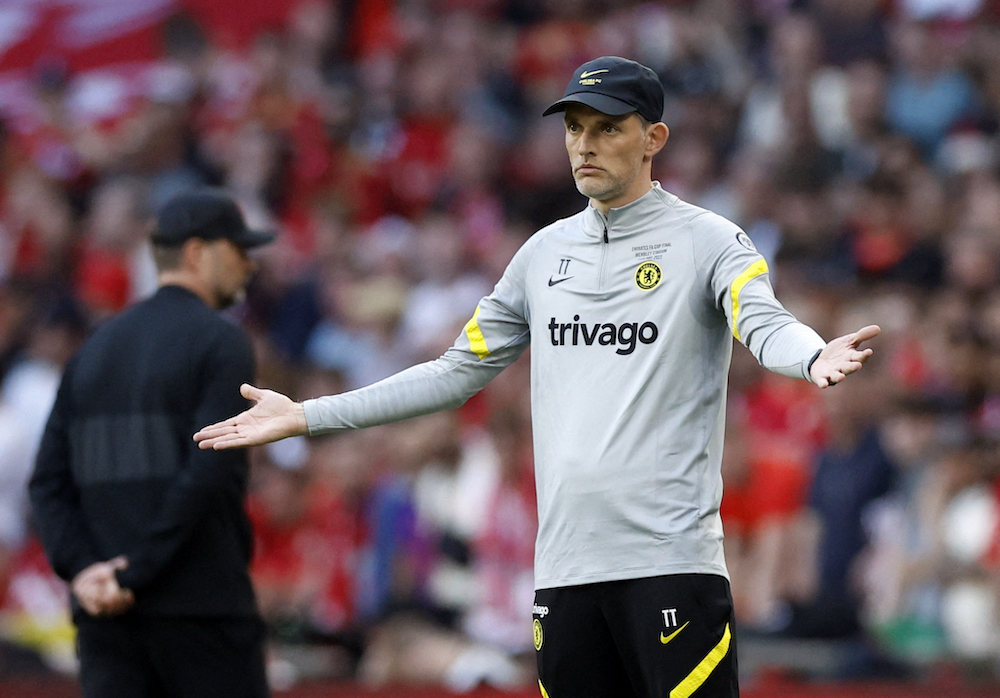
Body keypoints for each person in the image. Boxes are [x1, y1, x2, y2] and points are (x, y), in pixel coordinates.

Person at [195, 57, 880, 698]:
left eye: (607, 128)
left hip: (670, 566)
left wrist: (811, 355)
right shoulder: (541, 256)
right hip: (564, 574)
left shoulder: (709, 240)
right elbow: (455, 373)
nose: (584, 144)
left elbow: (760, 319)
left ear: (654, 139)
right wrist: (309, 414)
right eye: (575, 128)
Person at [29, 189, 274, 698]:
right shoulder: (220, 340)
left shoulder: (93, 347)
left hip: (107, 624)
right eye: (238, 248)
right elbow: (210, 471)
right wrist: (135, 573)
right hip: (201, 615)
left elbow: (47, 483)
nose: (250, 264)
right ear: (196, 253)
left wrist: (87, 572)